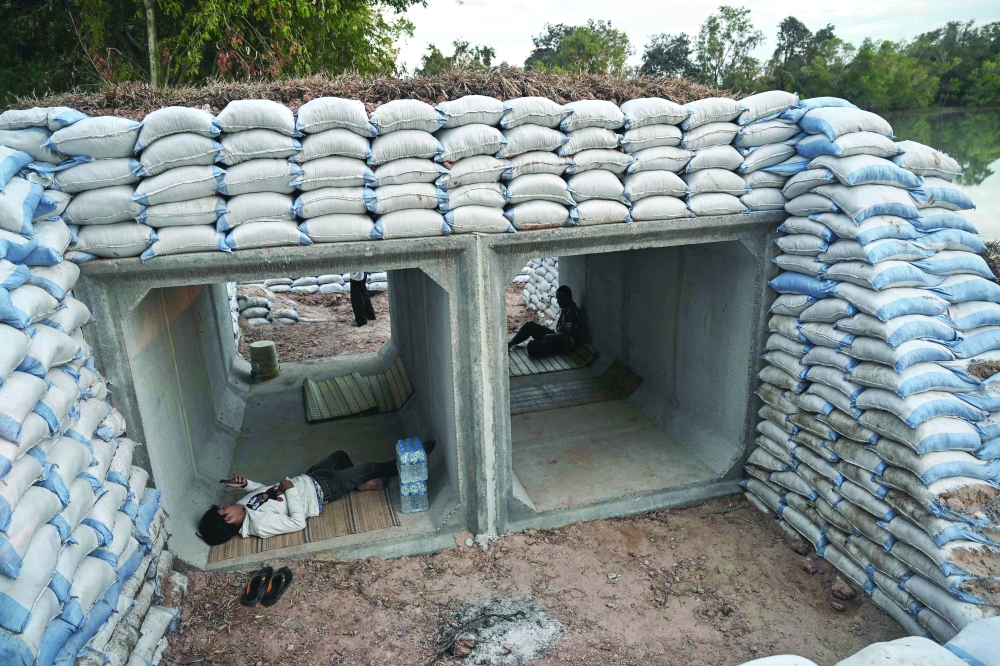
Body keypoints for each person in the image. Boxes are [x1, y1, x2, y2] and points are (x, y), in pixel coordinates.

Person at [197, 442, 434, 545]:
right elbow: (297, 522)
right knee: (370, 468)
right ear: (228, 519)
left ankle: (357, 484)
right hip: (321, 490)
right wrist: (290, 491)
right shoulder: (259, 525)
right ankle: (411, 459)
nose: (225, 505)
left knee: (340, 456)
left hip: (309, 477)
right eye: (223, 509)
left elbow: (264, 492)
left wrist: (246, 484)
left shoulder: (242, 507)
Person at [507, 285, 580, 357]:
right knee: (529, 325)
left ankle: (541, 343)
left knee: (532, 346)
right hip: (555, 335)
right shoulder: (566, 308)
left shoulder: (572, 313)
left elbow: (565, 335)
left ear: (567, 298)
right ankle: (510, 343)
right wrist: (550, 335)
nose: (557, 302)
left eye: (560, 299)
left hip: (561, 342)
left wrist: (550, 336)